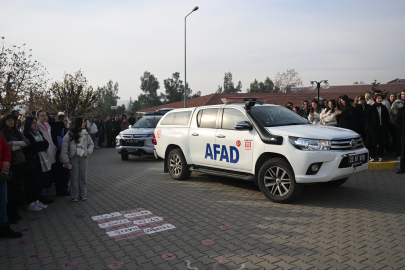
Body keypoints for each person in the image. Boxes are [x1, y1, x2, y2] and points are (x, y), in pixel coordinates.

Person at [0, 115, 29, 224]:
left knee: (17, 190)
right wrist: (18, 145)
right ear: (4, 121)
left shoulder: (16, 131)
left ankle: (15, 213)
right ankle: (11, 216)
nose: (11, 122)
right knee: (11, 191)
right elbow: (6, 146)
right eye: (8, 120)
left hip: (20, 162)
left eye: (13, 119)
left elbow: (27, 142)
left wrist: (13, 143)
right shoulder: (2, 133)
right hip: (10, 164)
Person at [60, 117, 94, 202]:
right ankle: (74, 196)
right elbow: (64, 149)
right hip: (73, 158)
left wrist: (87, 152)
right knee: (74, 177)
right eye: (83, 122)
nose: (85, 123)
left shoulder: (86, 134)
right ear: (78, 123)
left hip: (83, 158)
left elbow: (91, 144)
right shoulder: (69, 135)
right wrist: (66, 161)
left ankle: (83, 195)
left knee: (83, 177)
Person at [22, 117, 52, 211]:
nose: (35, 124)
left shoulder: (37, 132)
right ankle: (31, 203)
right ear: (28, 124)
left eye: (35, 122)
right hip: (32, 161)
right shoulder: (26, 134)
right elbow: (32, 146)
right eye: (33, 123)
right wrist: (41, 144)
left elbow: (46, 143)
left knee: (37, 181)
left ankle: (37, 200)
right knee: (31, 182)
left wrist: (41, 144)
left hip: (39, 159)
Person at [0, 133, 22, 238]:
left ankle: (4, 226)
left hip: (3, 172)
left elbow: (6, 148)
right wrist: (2, 165)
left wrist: (6, 163)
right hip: (2, 168)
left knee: (3, 201)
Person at [36, 110, 57, 204]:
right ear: (37, 117)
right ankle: (42, 195)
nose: (44, 117)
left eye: (45, 115)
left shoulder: (48, 125)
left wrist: (54, 147)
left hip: (51, 150)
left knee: (49, 173)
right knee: (43, 175)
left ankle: (45, 193)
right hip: (44, 153)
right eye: (42, 116)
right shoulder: (37, 126)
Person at [365, 94, 390, 162]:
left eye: (381, 98)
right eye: (378, 98)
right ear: (375, 99)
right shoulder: (371, 108)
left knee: (381, 142)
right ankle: (372, 156)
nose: (380, 99)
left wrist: (386, 126)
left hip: (382, 127)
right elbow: (367, 119)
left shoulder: (384, 108)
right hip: (373, 128)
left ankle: (380, 155)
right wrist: (370, 126)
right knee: (373, 142)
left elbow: (387, 118)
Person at [50, 114, 70, 196]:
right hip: (61, 153)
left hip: (56, 153)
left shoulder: (52, 128)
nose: (66, 122)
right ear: (60, 121)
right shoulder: (62, 129)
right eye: (65, 120)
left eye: (67, 120)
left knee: (58, 173)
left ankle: (60, 189)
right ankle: (63, 190)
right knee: (65, 173)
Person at [391, 90, 405, 160]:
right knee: (399, 141)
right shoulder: (397, 102)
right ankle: (398, 154)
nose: (403, 95)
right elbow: (392, 111)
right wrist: (400, 113)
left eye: (404, 94)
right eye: (402, 94)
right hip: (400, 125)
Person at [395, 105, 405, 174]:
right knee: (403, 151)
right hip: (404, 133)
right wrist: (402, 130)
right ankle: (402, 167)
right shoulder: (401, 110)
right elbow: (397, 121)